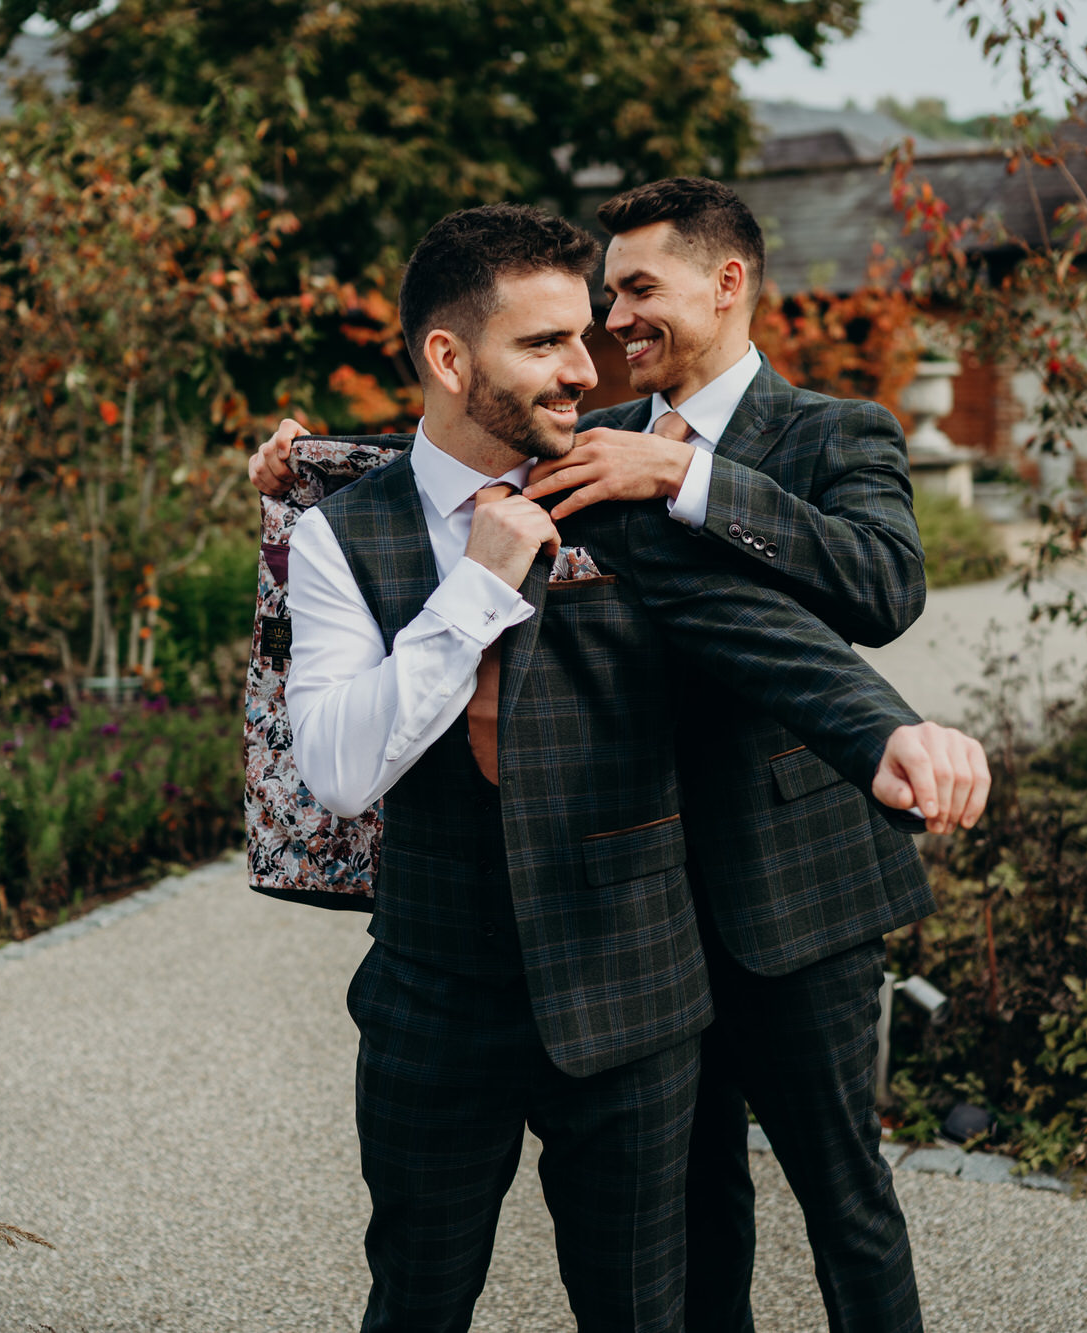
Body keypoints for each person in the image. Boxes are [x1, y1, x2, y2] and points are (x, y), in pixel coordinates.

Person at [282, 203, 985, 1333]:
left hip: (651, 961)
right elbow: (338, 764)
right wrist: (462, 575)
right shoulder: (342, 536)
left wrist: (887, 734)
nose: (588, 360)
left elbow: (772, 634)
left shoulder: (636, 488)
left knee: (668, 1290)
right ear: (453, 358)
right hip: (436, 988)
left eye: (595, 325)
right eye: (551, 340)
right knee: (415, 1293)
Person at [528, 176, 944, 1333]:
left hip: (796, 889)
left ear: (727, 282)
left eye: (637, 289)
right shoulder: (591, 437)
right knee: (693, 1204)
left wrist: (688, 478)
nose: (613, 320)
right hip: (638, 903)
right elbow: (450, 476)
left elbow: (882, 588)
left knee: (843, 1197)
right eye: (609, 294)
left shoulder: (833, 432)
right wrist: (301, 473)